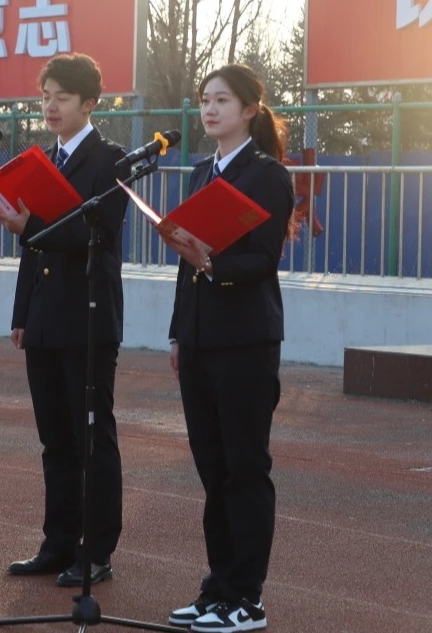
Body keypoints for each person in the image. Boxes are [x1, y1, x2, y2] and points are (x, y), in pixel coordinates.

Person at [163, 64, 295, 633]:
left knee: (245, 467)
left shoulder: (267, 175)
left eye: (222, 100)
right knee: (213, 470)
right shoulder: (201, 172)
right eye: (205, 100)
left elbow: (264, 259)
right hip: (199, 338)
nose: (210, 110)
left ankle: (247, 597)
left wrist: (213, 263)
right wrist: (177, 332)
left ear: (249, 110)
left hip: (245, 340)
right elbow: (184, 262)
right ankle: (217, 588)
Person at [0, 53, 127, 587]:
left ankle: (96, 550)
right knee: (55, 439)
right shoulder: (41, 161)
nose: (50, 106)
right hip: (46, 317)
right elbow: (34, 249)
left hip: (88, 315)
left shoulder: (110, 160)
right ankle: (58, 543)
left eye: (62, 98)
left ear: (89, 104)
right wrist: (22, 312)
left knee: (92, 437)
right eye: (45, 96)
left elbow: (98, 233)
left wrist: (30, 225)